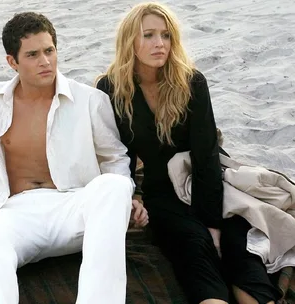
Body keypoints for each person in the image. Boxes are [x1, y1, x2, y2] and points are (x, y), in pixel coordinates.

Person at [0, 12, 148, 304]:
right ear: (12, 62)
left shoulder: (90, 100)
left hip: (73, 206)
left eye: (49, 51)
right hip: (17, 214)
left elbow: (115, 159)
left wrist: (127, 200)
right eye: (32, 54)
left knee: (116, 186)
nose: (45, 61)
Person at [96, 3, 282, 304]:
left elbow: (206, 153)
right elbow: (117, 153)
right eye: (149, 35)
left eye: (166, 35)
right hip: (160, 191)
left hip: (204, 180)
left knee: (238, 243)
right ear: (130, 41)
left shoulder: (191, 81)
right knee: (193, 243)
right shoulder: (111, 88)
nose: (160, 44)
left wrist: (212, 221)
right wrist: (132, 198)